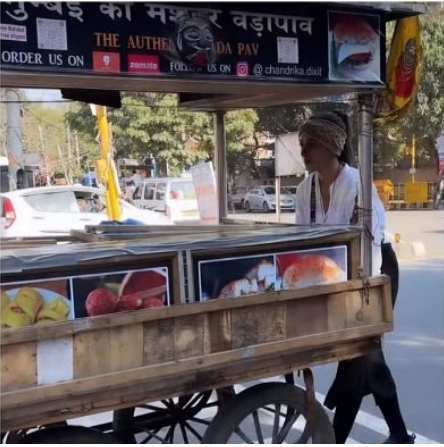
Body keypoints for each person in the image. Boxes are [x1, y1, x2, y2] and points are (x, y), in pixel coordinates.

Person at [295, 112, 415, 444]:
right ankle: (400, 434)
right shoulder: (306, 189)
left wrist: (361, 292)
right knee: (366, 357)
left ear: (333, 146)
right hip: (332, 273)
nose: (305, 150)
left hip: (375, 270)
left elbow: (371, 245)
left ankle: (337, 438)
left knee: (358, 352)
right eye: (303, 143)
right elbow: (302, 241)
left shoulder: (356, 185)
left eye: (312, 143)